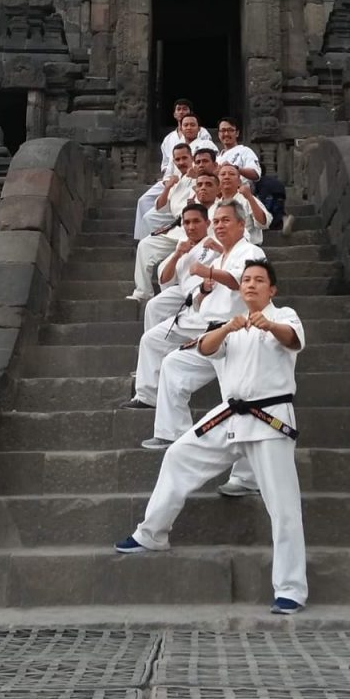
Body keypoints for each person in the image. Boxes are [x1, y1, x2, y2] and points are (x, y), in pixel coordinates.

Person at [115, 259, 308, 616]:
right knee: (178, 455)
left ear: (272, 289)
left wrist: (269, 325)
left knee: (284, 507)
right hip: (229, 416)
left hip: (269, 420)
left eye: (259, 280)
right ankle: (152, 532)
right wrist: (228, 328)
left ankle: (291, 588)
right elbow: (205, 349)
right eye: (246, 280)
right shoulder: (230, 324)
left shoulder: (285, 316)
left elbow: (292, 339)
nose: (250, 285)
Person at [130, 201, 265, 443]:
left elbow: (242, 282)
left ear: (241, 224)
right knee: (173, 365)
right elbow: (191, 292)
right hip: (210, 332)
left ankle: (246, 457)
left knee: (237, 397)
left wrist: (207, 273)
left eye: (225, 221)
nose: (220, 226)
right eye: (217, 221)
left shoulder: (251, 252)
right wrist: (203, 290)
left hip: (237, 333)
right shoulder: (219, 258)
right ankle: (171, 434)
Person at [126, 161, 219, 303]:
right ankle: (143, 292)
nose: (203, 188)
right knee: (146, 246)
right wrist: (169, 186)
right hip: (180, 233)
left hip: (204, 244)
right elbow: (163, 208)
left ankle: (184, 297)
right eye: (200, 185)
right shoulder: (185, 185)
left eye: (208, 185)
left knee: (175, 268)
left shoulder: (221, 208)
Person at [133, 99, 211, 240]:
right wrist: (167, 181)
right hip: (173, 179)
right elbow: (167, 164)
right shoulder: (169, 139)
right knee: (144, 201)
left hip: (192, 179)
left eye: (185, 109)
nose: (182, 112)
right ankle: (142, 238)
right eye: (179, 109)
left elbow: (208, 158)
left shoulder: (203, 137)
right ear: (174, 114)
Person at [143, 203, 220, 330]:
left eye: (196, 221)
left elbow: (232, 259)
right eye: (187, 223)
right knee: (153, 305)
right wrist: (177, 255)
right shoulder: (182, 248)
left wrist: (219, 249)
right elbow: (164, 280)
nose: (191, 227)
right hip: (183, 290)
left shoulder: (215, 241)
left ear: (207, 223)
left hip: (205, 291)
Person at [217, 164, 272, 244]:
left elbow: (263, 223)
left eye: (231, 174)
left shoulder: (247, 199)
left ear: (239, 182)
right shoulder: (216, 204)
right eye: (223, 174)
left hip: (248, 246)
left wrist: (250, 198)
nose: (227, 177)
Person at [216, 118, 261, 184]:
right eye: (223, 130)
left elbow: (256, 174)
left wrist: (234, 168)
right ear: (219, 134)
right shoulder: (217, 158)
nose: (226, 134)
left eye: (230, 130)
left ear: (237, 133)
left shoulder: (245, 151)